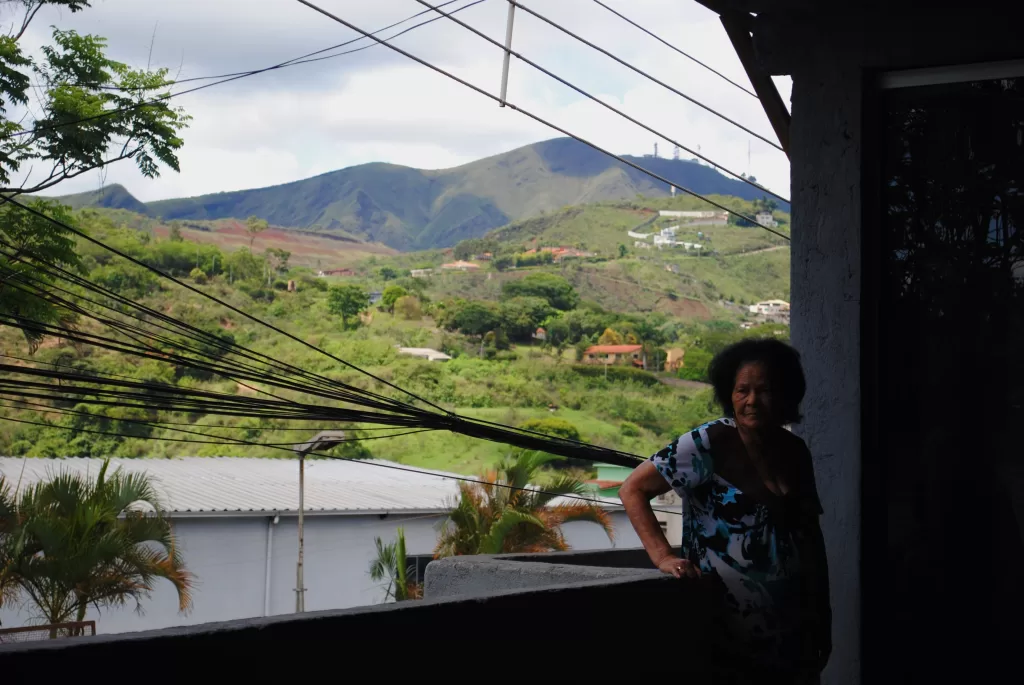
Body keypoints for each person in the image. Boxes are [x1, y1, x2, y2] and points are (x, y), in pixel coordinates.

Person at [619, 338, 831, 683]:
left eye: (764, 390)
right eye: (742, 390)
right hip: (728, 637)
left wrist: (824, 616)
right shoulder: (709, 443)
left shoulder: (795, 451)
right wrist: (664, 557)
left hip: (794, 635)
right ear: (728, 394)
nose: (752, 401)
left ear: (785, 394)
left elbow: (811, 538)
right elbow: (633, 488)